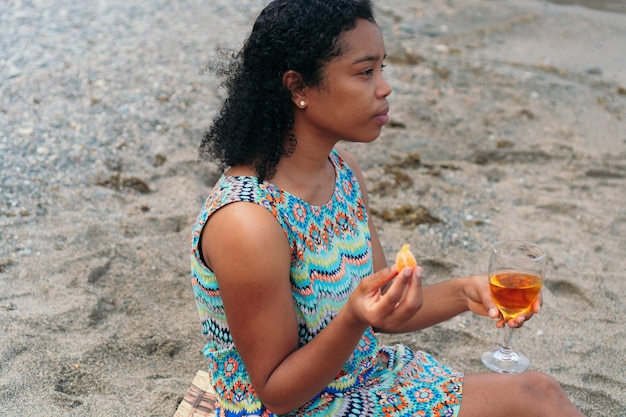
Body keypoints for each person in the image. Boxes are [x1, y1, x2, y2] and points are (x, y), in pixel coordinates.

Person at [190, 0, 585, 416]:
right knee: (535, 395)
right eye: (365, 72)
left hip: (365, 379)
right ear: (298, 88)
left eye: (382, 68)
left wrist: (465, 291)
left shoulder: (342, 172)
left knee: (537, 393)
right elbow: (277, 393)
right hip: (300, 408)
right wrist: (353, 319)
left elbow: (384, 311)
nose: (385, 87)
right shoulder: (247, 222)